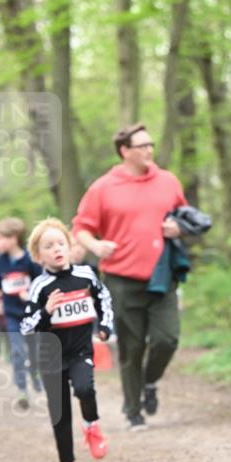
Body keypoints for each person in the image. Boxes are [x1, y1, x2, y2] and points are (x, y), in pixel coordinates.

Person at [73, 123, 188, 430]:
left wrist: (179, 228)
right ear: (125, 151)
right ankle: (133, 410)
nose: (149, 150)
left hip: (162, 276)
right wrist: (96, 245)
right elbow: (81, 227)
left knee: (167, 338)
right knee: (131, 347)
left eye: (151, 144)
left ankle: (149, 382)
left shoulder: (168, 181)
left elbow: (184, 217)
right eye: (142, 146)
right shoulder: (103, 187)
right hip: (121, 279)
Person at [20, 218, 114, 462]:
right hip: (51, 358)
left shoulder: (85, 275)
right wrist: (47, 311)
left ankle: (91, 426)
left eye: (60, 243)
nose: (56, 249)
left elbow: (103, 299)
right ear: (39, 256)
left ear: (70, 246)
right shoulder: (39, 287)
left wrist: (105, 327)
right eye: (48, 246)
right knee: (59, 415)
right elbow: (26, 326)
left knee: (85, 388)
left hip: (80, 350)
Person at [0, 217, 43, 408]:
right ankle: (22, 390)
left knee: (33, 351)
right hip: (11, 314)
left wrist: (30, 294)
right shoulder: (0, 261)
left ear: (13, 238)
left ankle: (36, 377)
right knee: (17, 351)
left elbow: (41, 284)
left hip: (30, 314)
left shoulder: (30, 260)